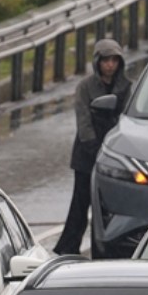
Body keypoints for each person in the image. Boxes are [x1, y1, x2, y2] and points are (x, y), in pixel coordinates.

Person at [54, 39, 131, 255]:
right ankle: (68, 248)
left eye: (114, 60)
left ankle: (104, 250)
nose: (110, 65)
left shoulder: (126, 87)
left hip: (115, 155)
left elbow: (127, 119)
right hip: (87, 156)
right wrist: (95, 150)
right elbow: (83, 123)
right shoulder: (85, 87)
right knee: (81, 203)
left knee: (108, 206)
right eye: (106, 60)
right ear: (97, 62)